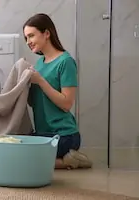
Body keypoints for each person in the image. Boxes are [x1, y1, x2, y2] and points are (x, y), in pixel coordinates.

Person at [23, 13, 92, 169]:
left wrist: (40, 81)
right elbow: (34, 103)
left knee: (26, 161)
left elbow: (66, 104)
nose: (28, 42)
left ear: (46, 33)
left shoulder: (66, 62)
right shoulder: (39, 63)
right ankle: (66, 160)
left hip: (63, 135)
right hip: (43, 133)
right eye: (26, 38)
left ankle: (68, 161)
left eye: (31, 36)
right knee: (16, 152)